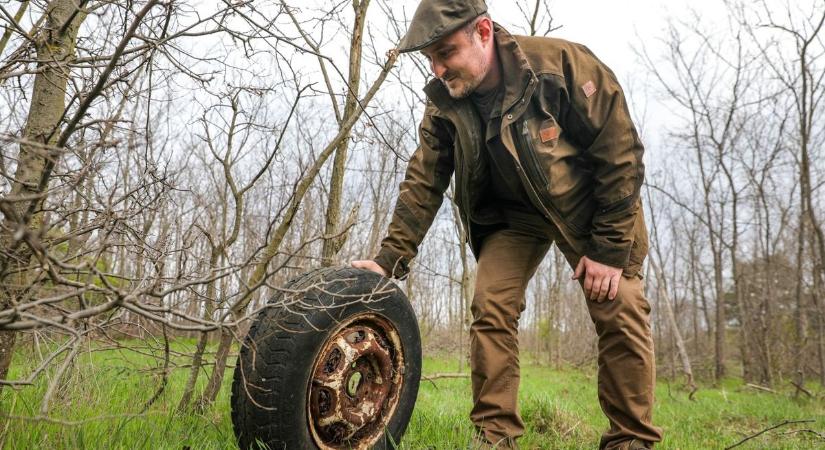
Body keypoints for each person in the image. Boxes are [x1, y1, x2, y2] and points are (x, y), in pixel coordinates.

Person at [352, 1, 662, 448]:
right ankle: (496, 436)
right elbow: (424, 180)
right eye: (430, 59)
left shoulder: (562, 67)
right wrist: (388, 260)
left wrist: (609, 252)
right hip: (511, 216)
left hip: (587, 208)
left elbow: (621, 155)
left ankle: (631, 439)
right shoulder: (445, 104)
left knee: (620, 305)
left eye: (446, 52)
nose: (438, 69)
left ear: (482, 32)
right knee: (490, 306)